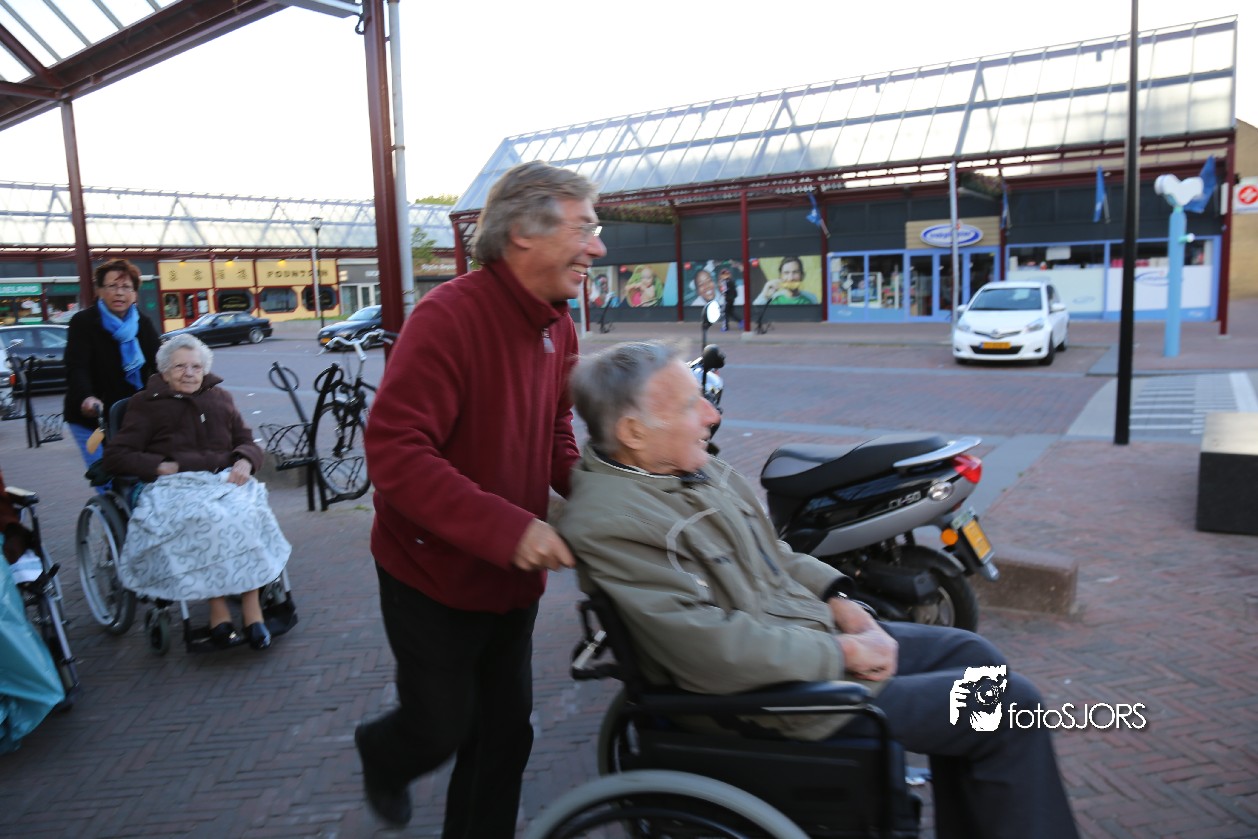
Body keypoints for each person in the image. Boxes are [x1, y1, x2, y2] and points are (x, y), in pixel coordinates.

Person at [558, 341, 1080, 839]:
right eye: (690, 405)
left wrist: (841, 602)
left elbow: (775, 552)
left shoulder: (698, 471)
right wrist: (844, 652)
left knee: (974, 655)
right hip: (766, 698)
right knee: (1008, 707)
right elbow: (710, 649)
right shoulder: (613, 524)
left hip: (802, 639)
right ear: (633, 431)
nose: (711, 416)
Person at [353, 161, 604, 835]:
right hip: (430, 573)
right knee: (440, 727)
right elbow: (397, 453)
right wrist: (513, 530)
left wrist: (598, 494)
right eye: (584, 227)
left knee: (504, 737)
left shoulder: (559, 325)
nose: (598, 245)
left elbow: (555, 430)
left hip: (510, 579)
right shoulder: (447, 316)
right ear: (523, 232)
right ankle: (383, 751)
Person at [101, 334, 289, 651]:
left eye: (196, 367)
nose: (189, 373)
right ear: (164, 371)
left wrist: (245, 460)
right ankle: (219, 612)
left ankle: (252, 609)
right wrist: (160, 465)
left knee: (248, 514)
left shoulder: (220, 398)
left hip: (224, 480)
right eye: (180, 367)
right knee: (207, 519)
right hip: (175, 484)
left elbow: (246, 440)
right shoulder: (145, 404)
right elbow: (116, 457)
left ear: (204, 369)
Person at [63, 259, 161, 471]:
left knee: (139, 473)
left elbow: (160, 363)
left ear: (134, 293)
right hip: (92, 418)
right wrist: (86, 397)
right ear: (99, 290)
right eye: (112, 286)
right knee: (105, 475)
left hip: (132, 415)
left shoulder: (142, 323)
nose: (119, 293)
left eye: (126, 287)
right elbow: (77, 366)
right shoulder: (83, 322)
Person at [753, 256, 818, 305]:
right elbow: (754, 313)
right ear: (780, 277)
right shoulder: (773, 299)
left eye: (795, 272)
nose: (791, 278)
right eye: (786, 273)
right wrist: (764, 295)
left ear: (802, 276)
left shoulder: (811, 299)